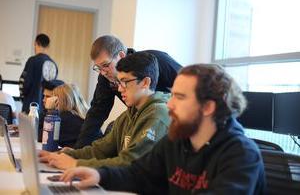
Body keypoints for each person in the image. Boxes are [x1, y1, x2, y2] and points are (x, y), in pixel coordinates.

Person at [60, 64, 265, 195]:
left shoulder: (241, 155)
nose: (169, 105)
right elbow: (138, 174)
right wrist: (100, 175)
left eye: (180, 97)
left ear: (208, 107)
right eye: (172, 95)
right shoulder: (177, 139)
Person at [39, 52, 170, 170]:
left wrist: (76, 164)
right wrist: (68, 154)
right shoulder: (127, 116)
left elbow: (131, 163)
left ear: (145, 82)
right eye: (119, 82)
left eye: (125, 82)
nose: (119, 89)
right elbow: (100, 150)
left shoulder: (157, 115)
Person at [74, 35, 182, 148]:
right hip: (141, 118)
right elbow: (97, 112)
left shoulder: (158, 60)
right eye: (98, 68)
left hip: (168, 121)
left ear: (121, 55)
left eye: (105, 65)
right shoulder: (106, 77)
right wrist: (78, 150)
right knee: (114, 129)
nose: (103, 73)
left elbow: (189, 85)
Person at [19, 33, 58, 113]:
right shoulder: (53, 64)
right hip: (46, 108)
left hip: (30, 106)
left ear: (36, 43)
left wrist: (22, 97)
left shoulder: (32, 61)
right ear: (48, 46)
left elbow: (25, 84)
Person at [44, 83, 89, 148]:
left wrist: (50, 109)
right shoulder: (81, 116)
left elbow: (44, 136)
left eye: (53, 98)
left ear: (59, 100)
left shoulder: (67, 118)